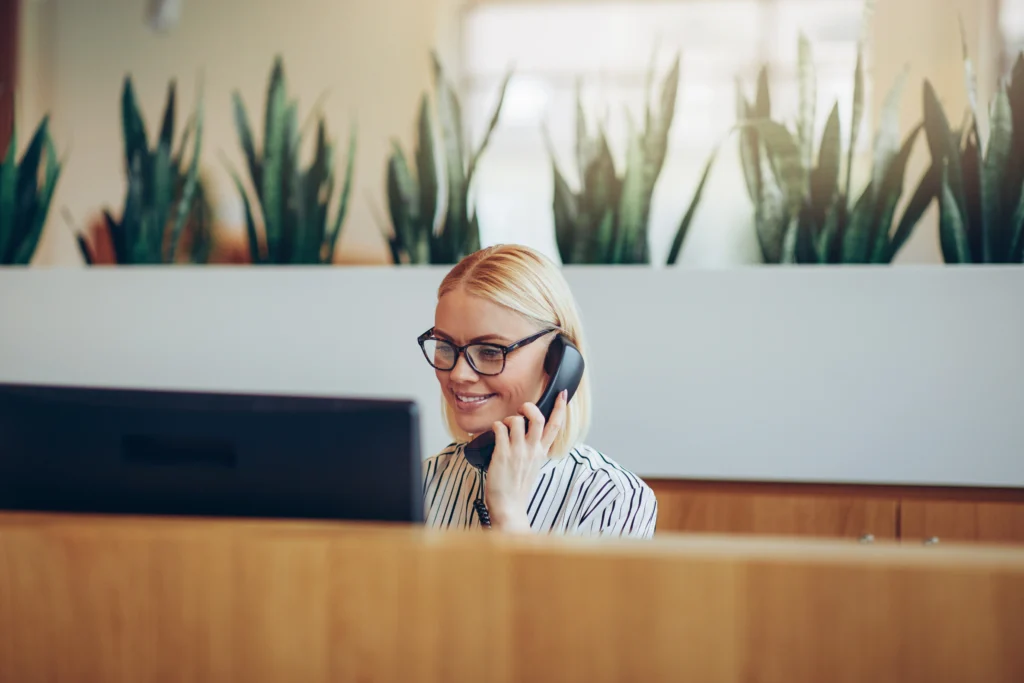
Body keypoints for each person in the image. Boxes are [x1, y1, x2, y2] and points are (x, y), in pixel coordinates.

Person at [417, 244, 658, 537]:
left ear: (559, 363)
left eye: (490, 351)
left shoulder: (613, 500)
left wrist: (508, 515)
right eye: (445, 346)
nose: (458, 374)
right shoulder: (421, 483)